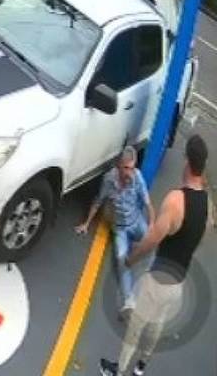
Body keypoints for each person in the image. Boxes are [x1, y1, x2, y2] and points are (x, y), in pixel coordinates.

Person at [99, 135, 209, 376]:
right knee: (157, 325)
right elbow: (201, 236)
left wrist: (131, 259)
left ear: (187, 162)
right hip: (179, 281)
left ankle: (118, 370)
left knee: (135, 328)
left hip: (158, 280)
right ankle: (141, 366)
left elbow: (152, 239)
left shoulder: (176, 200)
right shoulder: (208, 202)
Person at [75, 146, 154, 317]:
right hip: (120, 229)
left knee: (152, 244)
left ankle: (151, 278)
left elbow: (147, 202)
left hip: (137, 221)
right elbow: (98, 200)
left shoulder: (137, 177)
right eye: (126, 168)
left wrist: (152, 225)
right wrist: (86, 224)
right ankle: (128, 300)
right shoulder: (108, 180)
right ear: (119, 166)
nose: (129, 172)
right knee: (121, 259)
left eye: (132, 168)